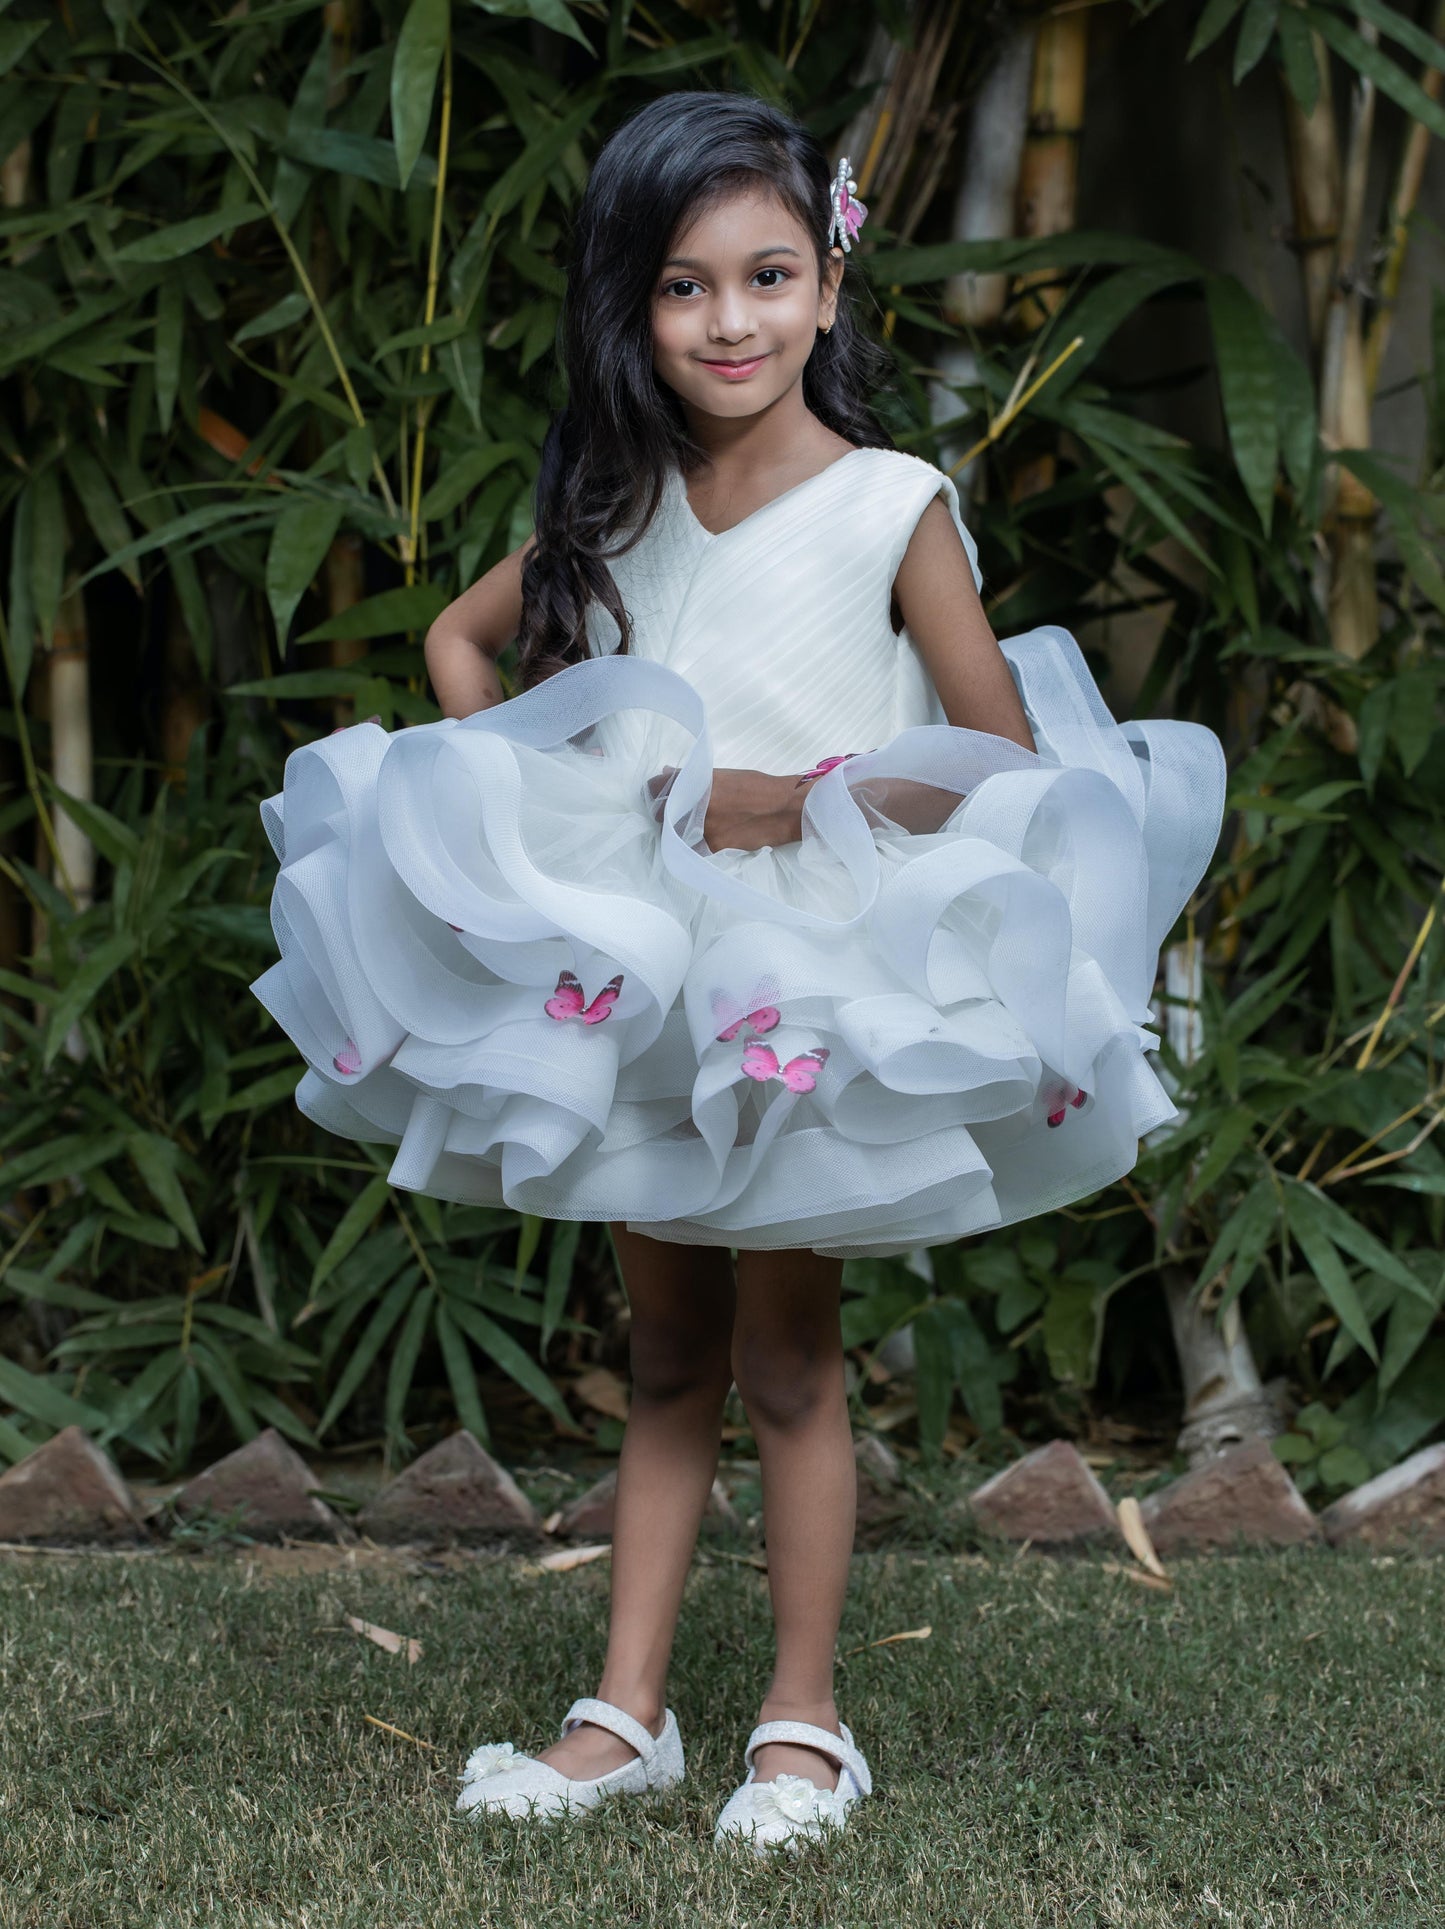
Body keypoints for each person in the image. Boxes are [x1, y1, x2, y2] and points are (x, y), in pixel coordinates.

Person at [252, 91, 1225, 1854]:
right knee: (666, 1342)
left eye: (767, 276)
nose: (729, 322)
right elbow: (461, 641)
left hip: (803, 975)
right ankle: (623, 1710)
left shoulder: (887, 503)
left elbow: (996, 748)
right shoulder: (614, 494)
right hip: (645, 967)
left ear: (828, 288)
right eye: (685, 286)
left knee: (786, 1354)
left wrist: (783, 800)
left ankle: (803, 1717)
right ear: (633, 306)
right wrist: (538, 794)